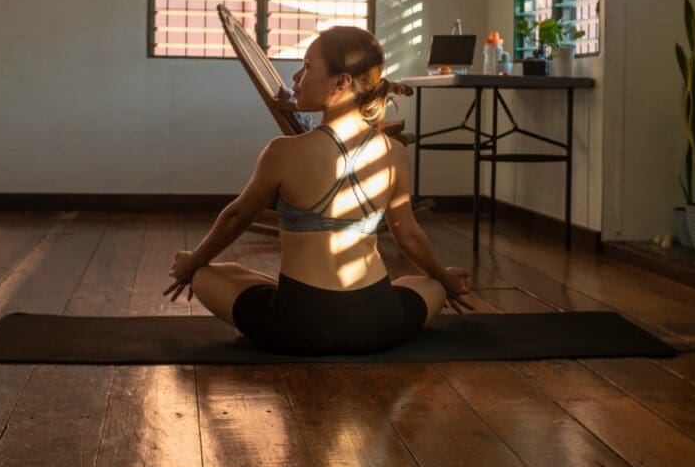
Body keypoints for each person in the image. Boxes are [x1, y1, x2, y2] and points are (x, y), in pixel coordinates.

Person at [163, 25, 472, 355]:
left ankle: (251, 287)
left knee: (209, 275)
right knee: (427, 282)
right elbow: (408, 234)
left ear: (341, 83)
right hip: (379, 323)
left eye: (308, 66)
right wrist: (444, 277)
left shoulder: (283, 151)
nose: (296, 77)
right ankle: (438, 282)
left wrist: (192, 262)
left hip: (297, 327)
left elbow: (237, 216)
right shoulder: (393, 151)